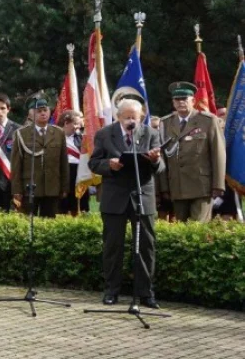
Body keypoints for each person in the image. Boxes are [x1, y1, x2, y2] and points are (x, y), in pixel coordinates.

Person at [89, 97, 164, 308]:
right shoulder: (105, 134)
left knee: (146, 246)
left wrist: (155, 160)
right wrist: (108, 164)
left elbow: (161, 167)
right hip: (115, 198)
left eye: (135, 117)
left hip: (143, 195)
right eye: (127, 117)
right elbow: (94, 162)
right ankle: (112, 291)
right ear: (118, 117)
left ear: (141, 117)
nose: (131, 120)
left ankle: (145, 293)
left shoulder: (150, 133)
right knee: (113, 246)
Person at [159, 81, 226, 223]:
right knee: (180, 230)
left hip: (202, 186)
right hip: (177, 185)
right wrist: (164, 187)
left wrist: (218, 184)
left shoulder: (208, 121)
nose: (181, 102)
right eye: (177, 99)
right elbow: (162, 157)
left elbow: (218, 154)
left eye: (184, 99)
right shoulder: (165, 123)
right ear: (173, 102)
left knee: (198, 229)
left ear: (193, 101)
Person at [10, 97, 68, 218]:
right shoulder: (22, 133)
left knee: (49, 224)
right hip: (30, 188)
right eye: (39, 111)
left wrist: (64, 187)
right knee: (28, 224)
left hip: (52, 187)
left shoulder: (58, 133)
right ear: (32, 114)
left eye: (45, 110)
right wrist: (16, 189)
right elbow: (16, 164)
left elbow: (63, 162)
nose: (43, 113)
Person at [58, 110, 89, 215]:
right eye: (75, 124)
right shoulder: (54, 137)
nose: (78, 127)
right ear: (66, 123)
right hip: (62, 173)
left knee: (79, 203)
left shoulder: (81, 138)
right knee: (63, 204)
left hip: (78, 173)